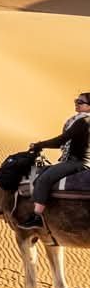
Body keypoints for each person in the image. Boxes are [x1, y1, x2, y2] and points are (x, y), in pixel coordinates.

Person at [18, 92, 90, 229]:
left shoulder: (82, 122)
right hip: (86, 163)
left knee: (44, 179)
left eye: (80, 102)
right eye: (76, 100)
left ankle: (37, 217)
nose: (76, 103)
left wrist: (39, 145)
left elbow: (61, 141)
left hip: (77, 163)